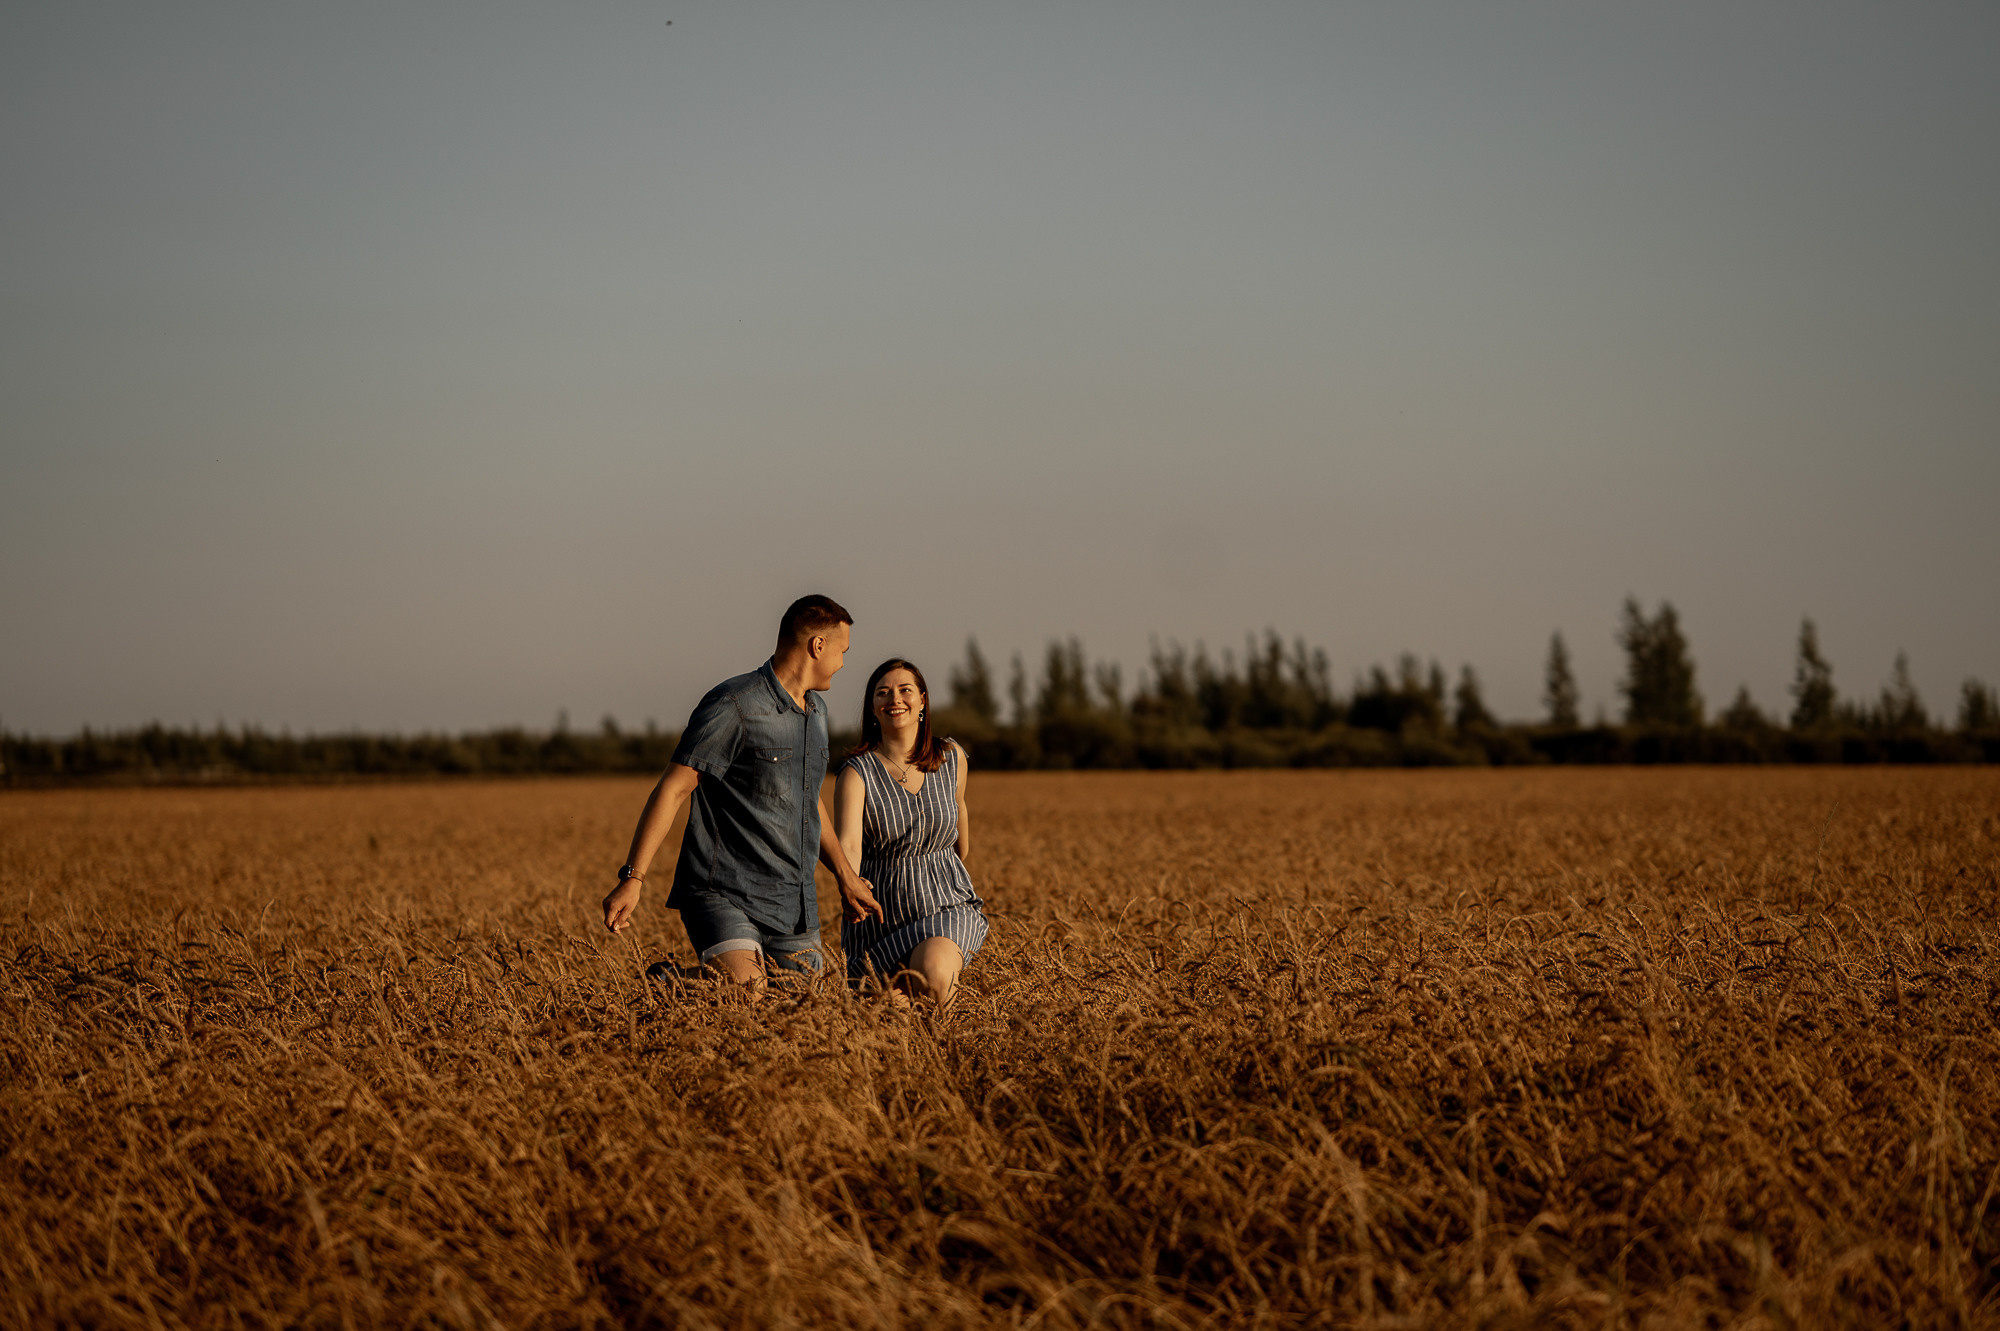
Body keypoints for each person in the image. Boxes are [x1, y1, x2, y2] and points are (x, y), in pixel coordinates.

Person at [602, 595, 881, 993]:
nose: (842, 663)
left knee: (810, 1014)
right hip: (723, 891)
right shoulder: (734, 704)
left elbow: (807, 800)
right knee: (747, 992)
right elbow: (674, 787)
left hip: (792, 901)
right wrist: (633, 877)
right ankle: (669, 982)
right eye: (842, 651)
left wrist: (845, 876)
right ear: (817, 646)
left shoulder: (817, 712)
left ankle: (678, 984)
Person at [833, 657, 988, 1004]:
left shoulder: (952, 758)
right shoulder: (857, 774)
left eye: (905, 690)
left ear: (922, 701)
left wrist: (937, 870)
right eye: (883, 693)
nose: (894, 700)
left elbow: (960, 835)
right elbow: (850, 846)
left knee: (933, 973)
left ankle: (946, 1053)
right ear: (872, 708)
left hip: (946, 907)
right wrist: (851, 886)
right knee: (891, 1023)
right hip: (880, 923)